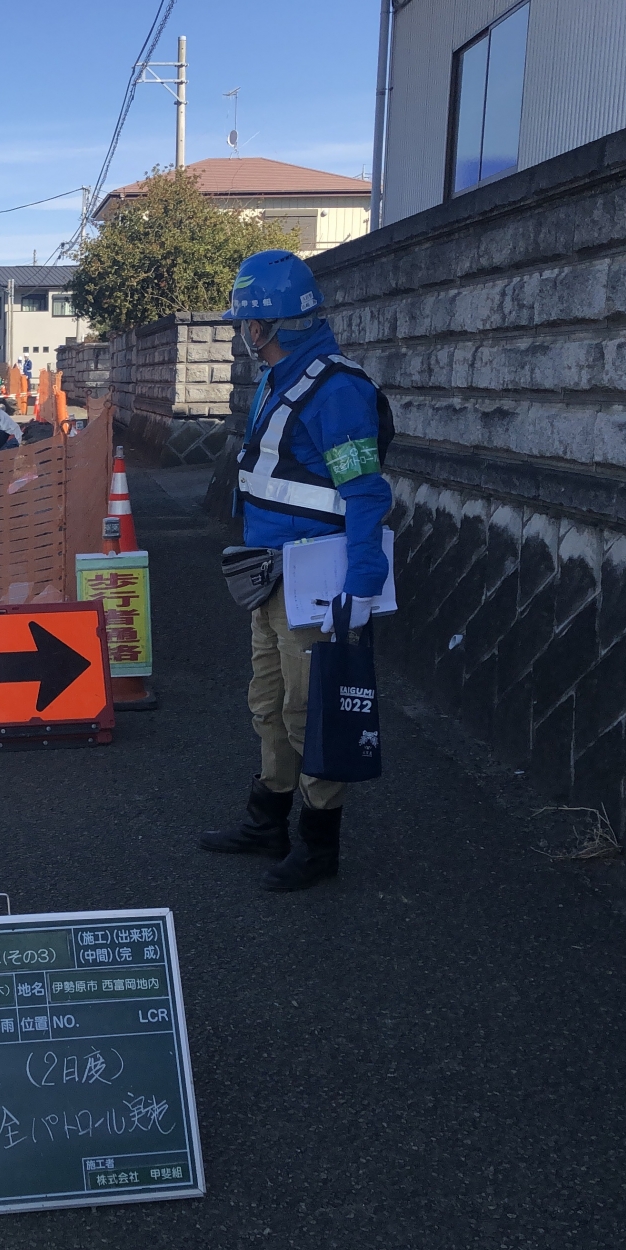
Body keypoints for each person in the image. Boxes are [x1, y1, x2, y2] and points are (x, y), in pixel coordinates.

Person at [198, 249, 391, 891]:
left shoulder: (336, 390)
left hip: (318, 580)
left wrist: (362, 585)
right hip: (271, 571)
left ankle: (319, 844)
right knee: (268, 702)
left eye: (244, 323)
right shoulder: (285, 379)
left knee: (314, 710)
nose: (240, 334)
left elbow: (365, 492)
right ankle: (268, 820)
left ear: (267, 325)